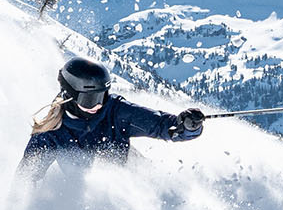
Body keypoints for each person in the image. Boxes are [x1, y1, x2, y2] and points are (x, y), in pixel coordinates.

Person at [21, 56, 203, 170]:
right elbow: (25, 182)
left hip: (136, 184)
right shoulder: (50, 135)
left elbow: (164, 126)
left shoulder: (117, 112)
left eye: (102, 95)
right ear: (70, 97)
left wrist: (187, 125)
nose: (99, 105)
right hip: (87, 201)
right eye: (90, 99)